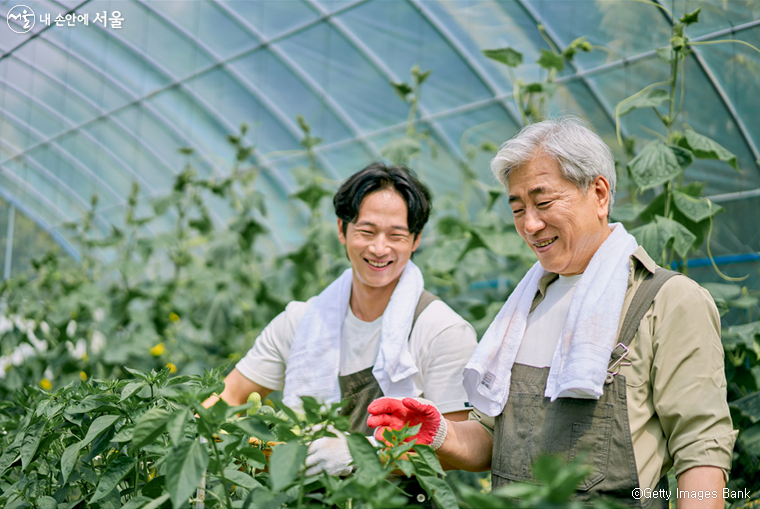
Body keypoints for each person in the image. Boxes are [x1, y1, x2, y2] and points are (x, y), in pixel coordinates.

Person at [367, 118, 737, 508]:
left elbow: (701, 449)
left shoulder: (665, 300)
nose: (530, 224)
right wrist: (439, 433)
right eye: (517, 208)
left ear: (598, 194)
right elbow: (492, 441)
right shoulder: (523, 309)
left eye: (543, 203)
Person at [205, 162, 477, 481]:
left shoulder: (440, 329)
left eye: (396, 235)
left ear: (415, 240)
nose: (379, 248)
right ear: (341, 229)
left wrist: (365, 456)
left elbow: (459, 448)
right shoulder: (301, 321)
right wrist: (207, 433)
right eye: (366, 231)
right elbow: (230, 395)